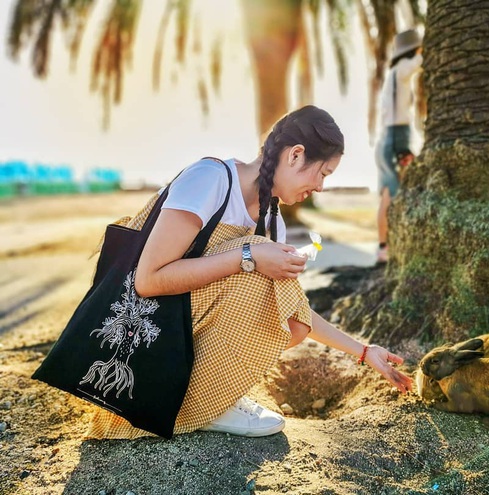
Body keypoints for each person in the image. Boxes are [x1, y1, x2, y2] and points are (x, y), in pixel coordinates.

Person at [85, 105, 413, 440]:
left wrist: (362, 351)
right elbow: (148, 279)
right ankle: (199, 402)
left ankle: (207, 393)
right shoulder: (211, 179)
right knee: (257, 269)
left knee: (292, 321)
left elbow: (294, 307)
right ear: (296, 155)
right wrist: (248, 255)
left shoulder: (273, 222)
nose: (320, 188)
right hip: (135, 330)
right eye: (323, 173)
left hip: (180, 325)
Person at [375, 29, 424, 264]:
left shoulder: (393, 73)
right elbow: (423, 61)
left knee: (387, 196)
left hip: (385, 141)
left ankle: (383, 249)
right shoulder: (404, 68)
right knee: (397, 196)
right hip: (396, 140)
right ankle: (396, 246)